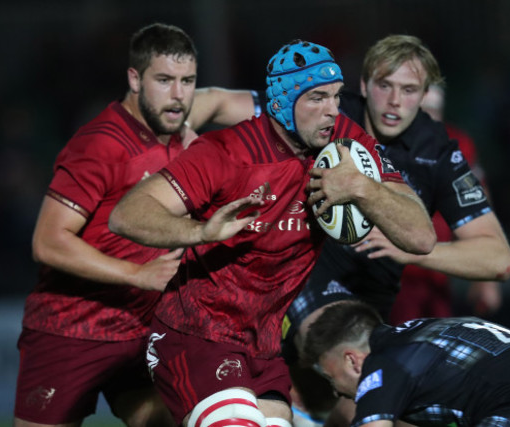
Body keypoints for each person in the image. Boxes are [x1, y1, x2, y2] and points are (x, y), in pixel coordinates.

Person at [108, 39, 435, 427]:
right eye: (317, 98)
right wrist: (199, 231)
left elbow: (421, 237)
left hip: (263, 347)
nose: (333, 109)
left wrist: (362, 187)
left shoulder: (346, 142)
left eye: (334, 96)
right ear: (282, 101)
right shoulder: (227, 152)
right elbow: (126, 214)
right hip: (198, 334)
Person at [278, 34, 510, 425]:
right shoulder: (331, 114)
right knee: (355, 376)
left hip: (376, 304)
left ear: (424, 95)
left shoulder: (439, 151)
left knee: (377, 410)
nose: (394, 101)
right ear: (364, 84)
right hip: (305, 281)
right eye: (385, 86)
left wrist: (417, 250)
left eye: (408, 90)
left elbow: (499, 260)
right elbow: (236, 105)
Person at [13, 23, 199, 427]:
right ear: (134, 78)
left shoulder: (184, 140)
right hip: (72, 329)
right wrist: (138, 273)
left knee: (180, 418)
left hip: (142, 331)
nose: (178, 94)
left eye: (188, 81)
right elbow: (47, 241)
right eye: (164, 80)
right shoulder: (100, 143)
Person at [302, 300, 510, 427]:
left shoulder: (381, 364)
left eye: (331, 380)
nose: (341, 394)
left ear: (353, 360)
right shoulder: (430, 333)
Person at [389, 83, 502, 325]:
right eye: (422, 109)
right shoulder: (387, 141)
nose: (428, 118)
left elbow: (478, 206)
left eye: (433, 110)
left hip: (438, 271)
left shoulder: (457, 144)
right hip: (390, 272)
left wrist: (485, 278)